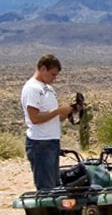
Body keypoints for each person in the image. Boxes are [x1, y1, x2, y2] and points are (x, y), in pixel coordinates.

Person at [21, 54, 77, 190]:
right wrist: (58, 110)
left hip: (52, 142)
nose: (54, 79)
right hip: (40, 143)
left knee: (55, 186)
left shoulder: (48, 89)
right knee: (46, 188)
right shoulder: (32, 88)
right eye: (52, 74)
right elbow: (35, 118)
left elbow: (55, 118)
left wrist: (68, 111)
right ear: (43, 69)